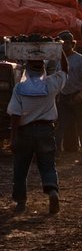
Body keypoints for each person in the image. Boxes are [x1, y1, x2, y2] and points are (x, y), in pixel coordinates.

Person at [7, 47, 69, 214]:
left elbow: (15, 115)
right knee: (48, 165)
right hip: (46, 131)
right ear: (43, 68)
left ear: (27, 69)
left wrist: (13, 138)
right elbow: (65, 70)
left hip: (24, 132)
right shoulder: (51, 84)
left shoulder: (19, 89)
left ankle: (20, 202)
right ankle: (53, 192)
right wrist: (59, 49)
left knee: (20, 167)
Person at [54, 31, 82, 165]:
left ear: (72, 44)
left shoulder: (80, 59)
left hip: (77, 96)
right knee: (59, 127)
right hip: (64, 96)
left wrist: (81, 94)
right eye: (62, 43)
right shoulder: (58, 59)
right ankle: (56, 155)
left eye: (66, 43)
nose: (64, 45)